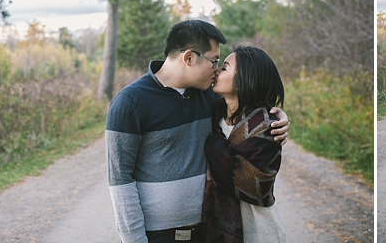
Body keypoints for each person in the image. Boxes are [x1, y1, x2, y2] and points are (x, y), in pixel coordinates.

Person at [105, 20, 290, 243]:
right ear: (189, 57)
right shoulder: (130, 102)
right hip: (157, 236)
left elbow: (245, 104)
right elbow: (120, 179)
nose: (217, 68)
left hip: (208, 230)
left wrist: (278, 117)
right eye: (214, 60)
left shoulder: (208, 96)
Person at [202, 45, 287, 243]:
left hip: (260, 232)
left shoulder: (268, 128)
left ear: (245, 79)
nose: (216, 70)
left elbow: (256, 188)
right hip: (215, 232)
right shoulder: (212, 115)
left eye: (224, 68)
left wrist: (211, 143)